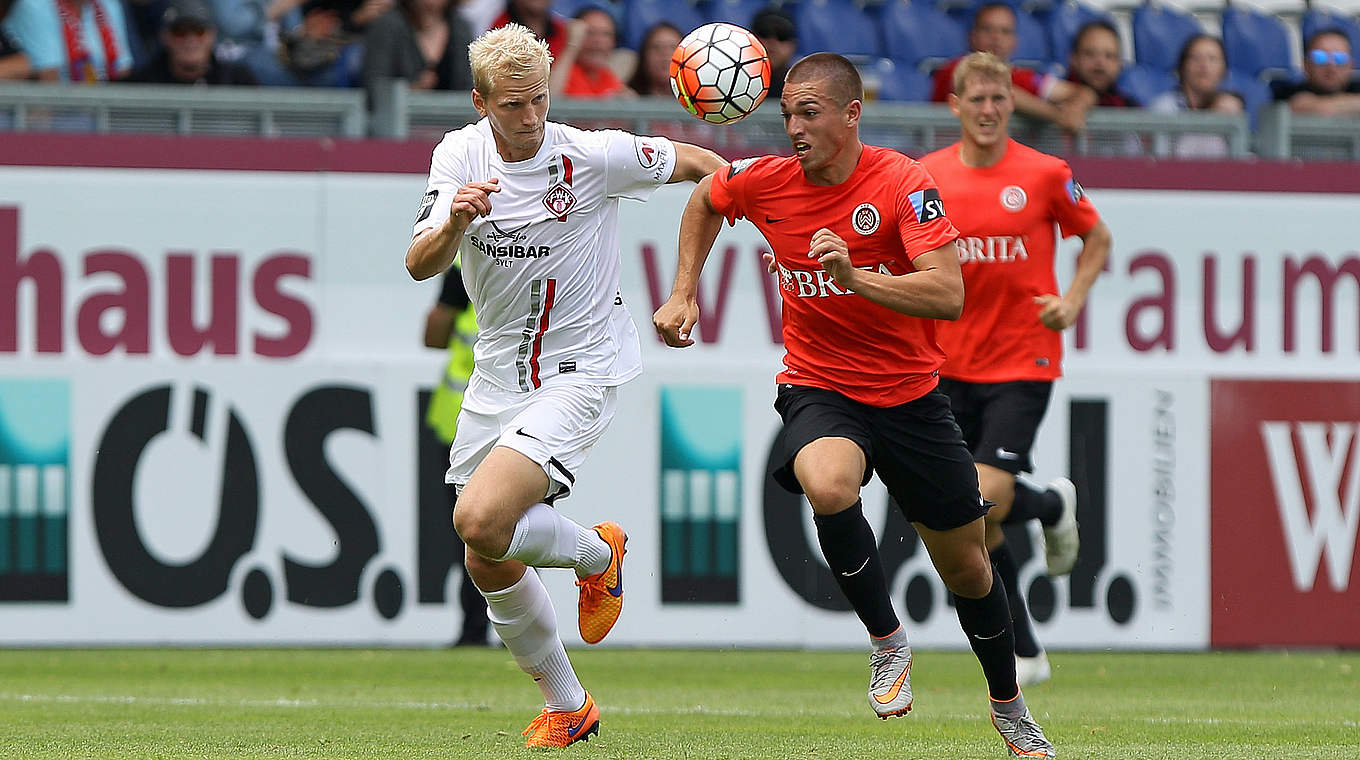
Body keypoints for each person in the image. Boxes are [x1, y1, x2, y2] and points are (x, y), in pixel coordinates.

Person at [654, 51, 1055, 759]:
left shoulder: (903, 183)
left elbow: (947, 293)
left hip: (913, 396)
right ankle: (887, 641)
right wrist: (685, 289)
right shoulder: (766, 181)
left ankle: (1009, 705)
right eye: (785, 115)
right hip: (820, 384)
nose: (794, 128)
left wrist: (855, 276)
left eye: (809, 112)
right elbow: (704, 200)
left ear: (851, 114)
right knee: (828, 481)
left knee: (967, 567)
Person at [404, 22, 724, 748]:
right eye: (514, 105)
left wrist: (684, 289)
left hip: (582, 367)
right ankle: (571, 704)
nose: (531, 118)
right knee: (485, 553)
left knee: (480, 520)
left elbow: (711, 170)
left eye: (540, 101)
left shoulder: (590, 155)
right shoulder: (458, 155)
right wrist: (455, 221)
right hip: (498, 374)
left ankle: (596, 557)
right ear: (480, 100)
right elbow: (420, 264)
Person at [921, 52, 1111, 689]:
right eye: (975, 99)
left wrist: (1073, 300)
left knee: (979, 500)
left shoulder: (1045, 173)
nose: (987, 110)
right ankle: (1027, 645)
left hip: (1022, 359)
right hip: (944, 364)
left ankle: (1042, 507)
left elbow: (1097, 237)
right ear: (955, 105)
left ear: (1011, 104)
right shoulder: (926, 177)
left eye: (998, 99)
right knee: (966, 518)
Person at [422, 267, 493, 647]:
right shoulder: (541, 254)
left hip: (462, 424)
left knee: (472, 534)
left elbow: (432, 336)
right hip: (508, 423)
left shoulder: (464, 268)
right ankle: (519, 633)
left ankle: (474, 631)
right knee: (516, 531)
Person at [930, 3, 1085, 132]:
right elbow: (998, 90)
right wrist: (1057, 115)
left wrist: (1076, 109)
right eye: (987, 29)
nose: (996, 37)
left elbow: (1083, 93)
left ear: (1014, 41)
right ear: (972, 36)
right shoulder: (956, 69)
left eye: (1005, 31)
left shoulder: (1020, 75)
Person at [1148, 35, 1245, 158]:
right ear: (1182, 66)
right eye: (1196, 58)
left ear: (1224, 70)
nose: (1204, 66)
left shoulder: (1229, 108)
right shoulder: (1164, 107)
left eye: (1212, 59)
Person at [361, 0, 473, 106]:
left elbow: (470, 86)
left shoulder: (460, 28)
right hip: (398, 120)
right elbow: (375, 87)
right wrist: (412, 90)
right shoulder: (387, 26)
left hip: (454, 120)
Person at [124, 0, 259, 84]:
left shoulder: (237, 81)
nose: (190, 40)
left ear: (212, 35)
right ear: (165, 36)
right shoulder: (142, 84)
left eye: (199, 31)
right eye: (180, 32)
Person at [1, 0, 133, 82]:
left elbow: (122, 69)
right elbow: (49, 77)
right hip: (58, 110)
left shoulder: (109, 4)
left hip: (102, 108)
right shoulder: (35, 4)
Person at [1271, 28, 1360, 116]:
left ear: (1351, 66)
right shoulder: (1286, 91)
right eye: (1320, 57)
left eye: (1340, 58)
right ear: (1306, 65)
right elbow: (1320, 109)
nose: (1331, 66)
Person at [551, 5, 628, 98]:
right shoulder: (562, 73)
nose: (598, 40)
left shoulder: (608, 77)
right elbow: (549, 100)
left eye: (606, 34)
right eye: (590, 32)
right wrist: (570, 46)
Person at [1064, 20, 1138, 107]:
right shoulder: (1051, 105)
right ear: (1073, 59)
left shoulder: (1130, 109)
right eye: (1090, 54)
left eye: (1109, 56)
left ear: (1120, 64)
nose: (1100, 63)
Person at [750, 6, 796, 103]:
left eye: (782, 35)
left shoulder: (802, 90)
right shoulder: (729, 83)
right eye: (764, 33)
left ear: (794, 45)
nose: (773, 42)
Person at [625, 20, 681, 97]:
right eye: (656, 47)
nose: (665, 54)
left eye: (673, 48)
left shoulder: (699, 102)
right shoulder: (627, 99)